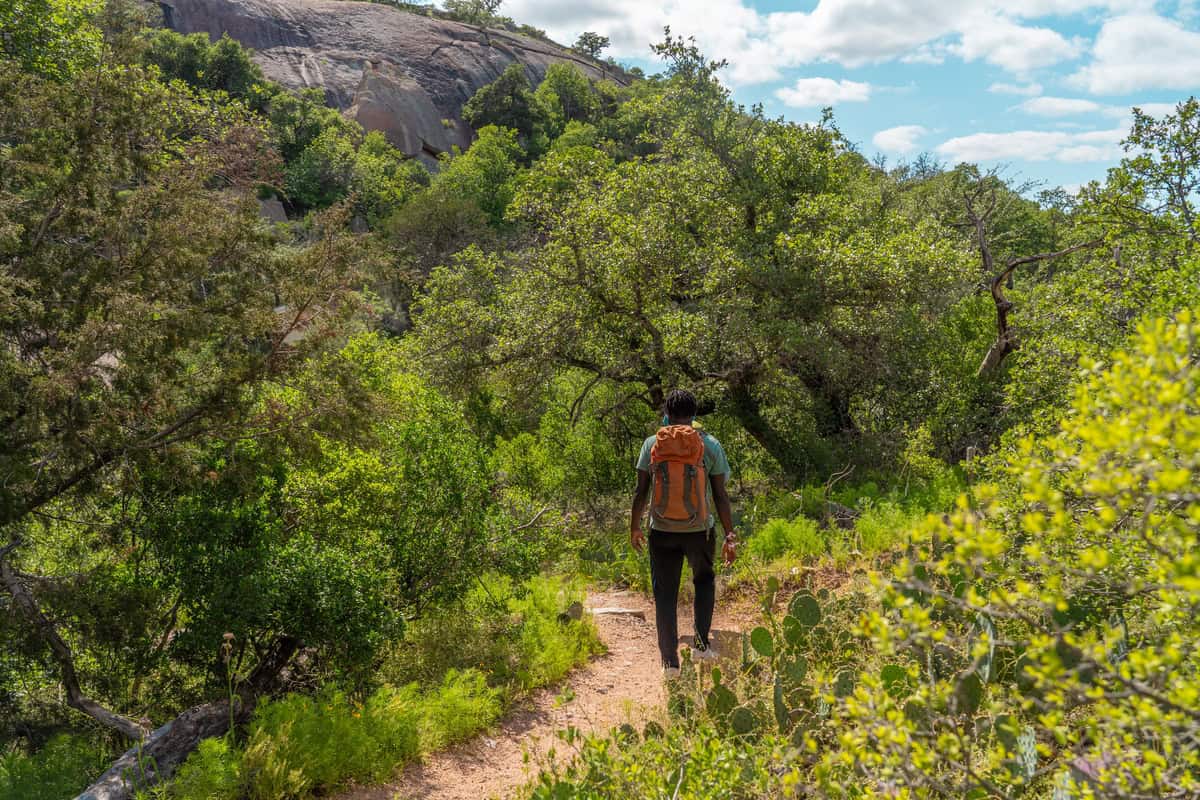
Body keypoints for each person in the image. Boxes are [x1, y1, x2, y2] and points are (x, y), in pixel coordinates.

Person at [630, 389, 737, 678]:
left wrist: (634, 527)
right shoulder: (709, 445)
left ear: (667, 412)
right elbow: (720, 494)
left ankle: (670, 664)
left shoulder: (652, 443)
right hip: (699, 530)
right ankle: (702, 646)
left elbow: (642, 491)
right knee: (703, 581)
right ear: (694, 414)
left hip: (661, 530)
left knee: (664, 594)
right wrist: (729, 534)